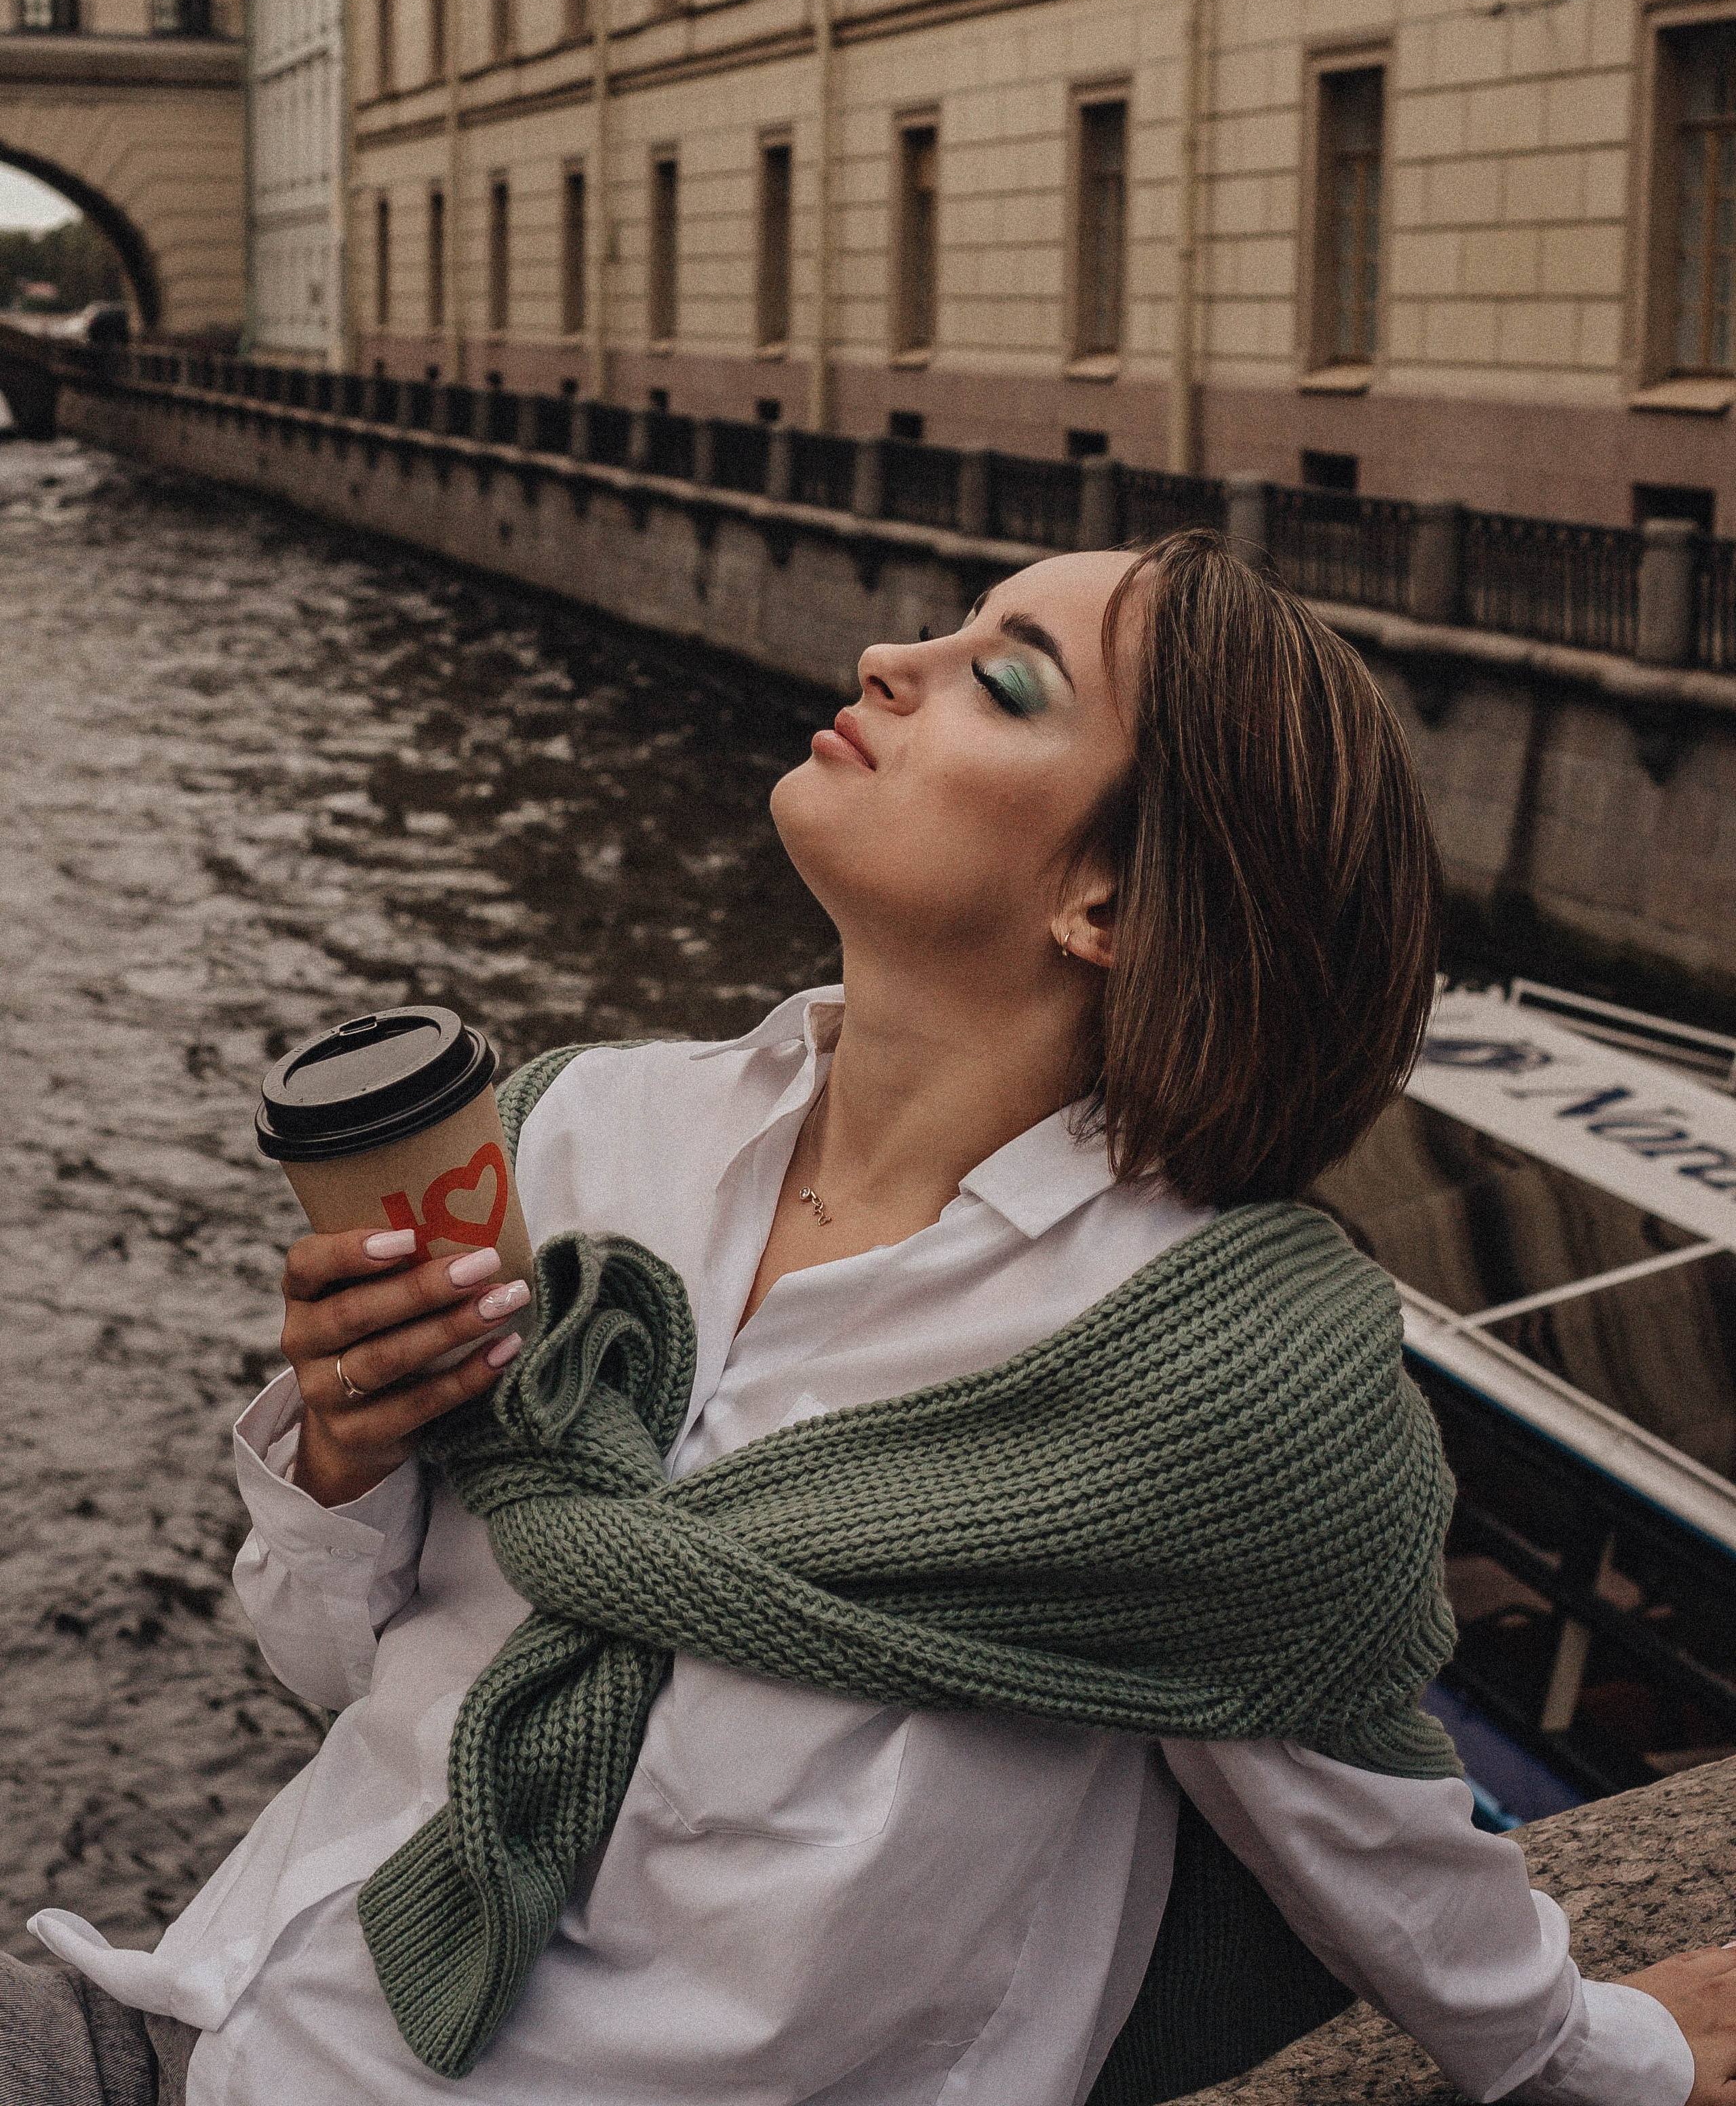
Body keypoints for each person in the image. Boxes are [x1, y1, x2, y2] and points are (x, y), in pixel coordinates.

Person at [13, 533, 1736, 2106]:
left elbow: (1363, 1813)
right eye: (949, 625)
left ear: (1112, 904)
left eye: (1004, 678)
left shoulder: (1212, 1371)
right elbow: (347, 1678)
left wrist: (1606, 2057)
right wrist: (345, 1453)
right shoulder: (576, 1132)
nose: (888, 658)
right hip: (192, 2026)